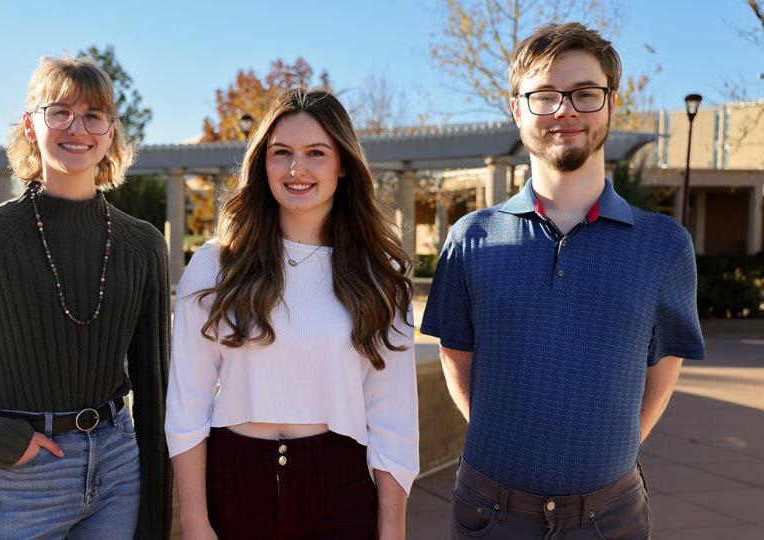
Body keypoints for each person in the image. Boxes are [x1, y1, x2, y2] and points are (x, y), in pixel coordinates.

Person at [421, 22, 706, 539]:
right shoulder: (471, 237)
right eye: (545, 95)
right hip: (489, 512)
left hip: (611, 516)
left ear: (610, 104)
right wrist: (503, 437)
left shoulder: (664, 245)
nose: (565, 110)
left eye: (584, 93)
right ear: (517, 109)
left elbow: (664, 363)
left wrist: (610, 448)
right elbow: (454, 355)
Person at [0, 57, 171, 539]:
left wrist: (156, 511)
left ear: (110, 132)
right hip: (21, 475)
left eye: (93, 116)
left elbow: (155, 392)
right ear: (30, 124)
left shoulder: (143, 244)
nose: (77, 128)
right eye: (60, 112)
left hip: (118, 468)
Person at [165, 88, 419, 540]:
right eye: (281, 153)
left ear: (343, 165)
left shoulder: (380, 272)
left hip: (339, 486)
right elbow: (187, 403)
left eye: (316, 153)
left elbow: (393, 414)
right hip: (234, 481)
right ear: (262, 163)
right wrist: (194, 522)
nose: (296, 169)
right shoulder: (216, 264)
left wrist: (392, 529)